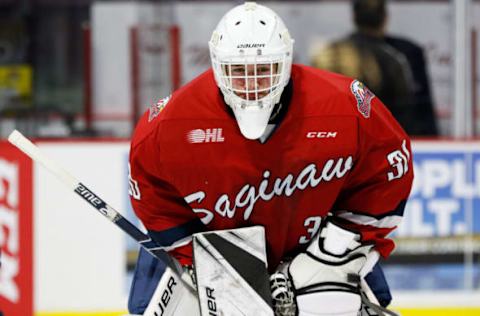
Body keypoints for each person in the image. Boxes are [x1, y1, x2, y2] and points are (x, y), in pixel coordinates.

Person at [128, 2, 413, 315]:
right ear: (217, 65)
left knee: (326, 300)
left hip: (313, 249)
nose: (252, 85)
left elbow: (387, 172)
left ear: (287, 62)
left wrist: (331, 253)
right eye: (238, 71)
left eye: (263, 70)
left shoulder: (343, 107)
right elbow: (155, 198)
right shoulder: (170, 125)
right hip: (210, 255)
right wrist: (203, 261)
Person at [312, 0, 436, 136]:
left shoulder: (330, 54)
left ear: (354, 17)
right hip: (381, 139)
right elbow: (407, 115)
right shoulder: (396, 57)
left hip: (334, 137)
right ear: (385, 17)